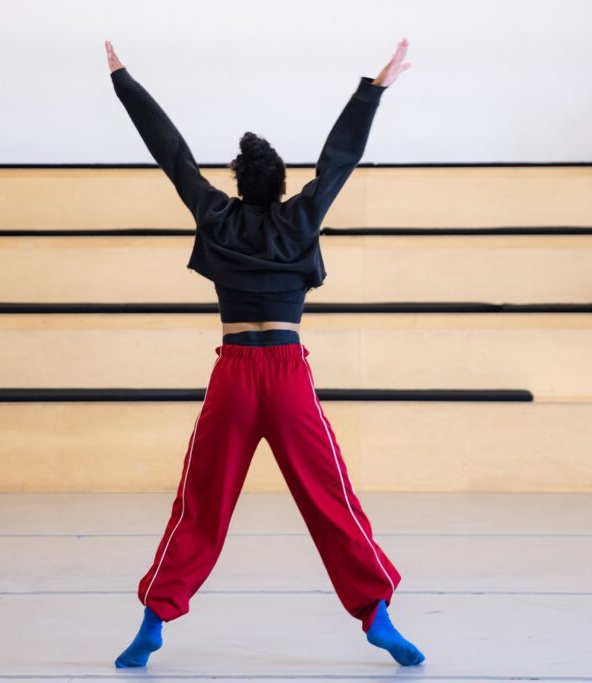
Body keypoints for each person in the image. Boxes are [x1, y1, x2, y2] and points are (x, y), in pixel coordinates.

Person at [105, 39, 424, 668]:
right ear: (280, 185)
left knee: (201, 503)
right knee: (330, 497)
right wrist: (374, 89)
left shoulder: (217, 217)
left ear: (240, 185)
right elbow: (339, 159)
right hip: (286, 375)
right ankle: (376, 612)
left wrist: (124, 82)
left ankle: (154, 617)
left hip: (232, 374)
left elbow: (171, 155)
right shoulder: (301, 217)